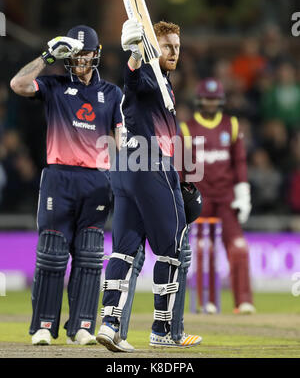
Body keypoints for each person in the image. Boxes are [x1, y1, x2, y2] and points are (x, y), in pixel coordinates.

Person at [10, 25, 123, 345]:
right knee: (52, 255)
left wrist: (125, 178)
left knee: (89, 256)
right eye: (75, 54)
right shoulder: (54, 85)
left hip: (97, 180)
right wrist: (47, 56)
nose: (82, 60)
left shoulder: (112, 94)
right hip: (59, 178)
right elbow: (17, 84)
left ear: (97, 54)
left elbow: (121, 141)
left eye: (87, 53)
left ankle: (83, 327)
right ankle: (44, 326)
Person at [96, 19, 202, 352]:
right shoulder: (148, 75)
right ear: (155, 47)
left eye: (177, 46)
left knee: (124, 249)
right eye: (168, 46)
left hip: (125, 168)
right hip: (148, 164)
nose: (175, 52)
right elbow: (131, 79)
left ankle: (110, 324)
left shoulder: (164, 82)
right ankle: (163, 330)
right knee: (172, 250)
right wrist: (134, 52)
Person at [180, 78, 255, 314]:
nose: (210, 103)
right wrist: (183, 200)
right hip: (201, 200)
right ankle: (207, 301)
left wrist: (243, 195)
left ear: (220, 100)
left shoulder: (231, 125)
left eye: (214, 99)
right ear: (199, 100)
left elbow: (239, 163)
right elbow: (181, 169)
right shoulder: (187, 129)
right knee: (204, 249)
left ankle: (243, 301)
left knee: (239, 248)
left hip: (226, 198)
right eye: (206, 99)